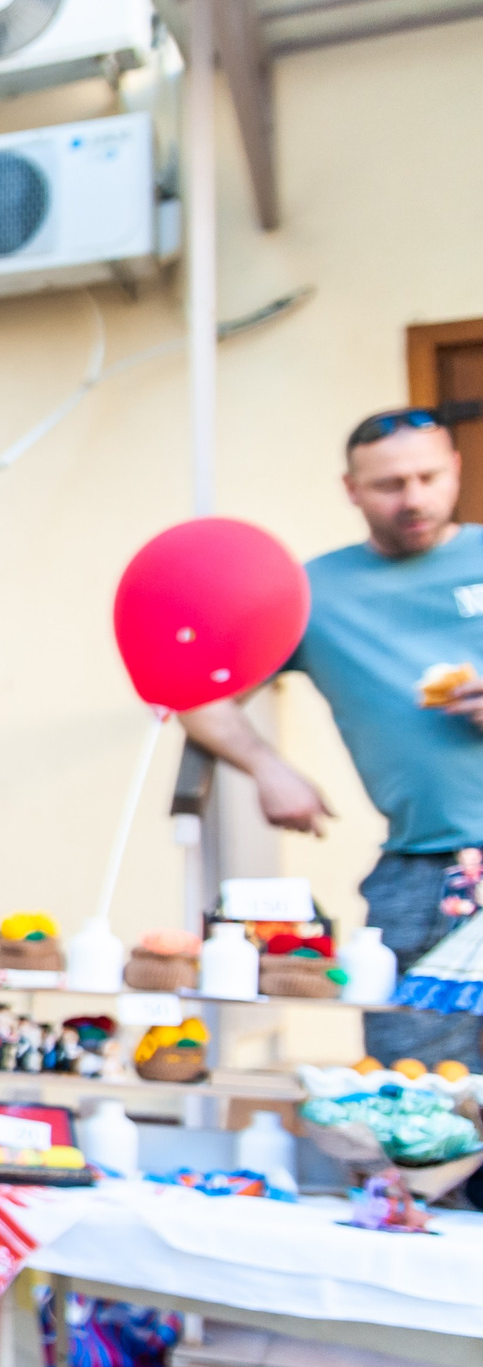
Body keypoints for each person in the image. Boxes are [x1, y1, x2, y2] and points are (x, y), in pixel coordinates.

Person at [178, 408, 482, 1067]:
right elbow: (198, 692)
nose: (413, 498)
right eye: (388, 484)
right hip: (426, 871)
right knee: (417, 1096)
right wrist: (264, 764)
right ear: (350, 488)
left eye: (428, 476)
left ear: (455, 468)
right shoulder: (312, 592)